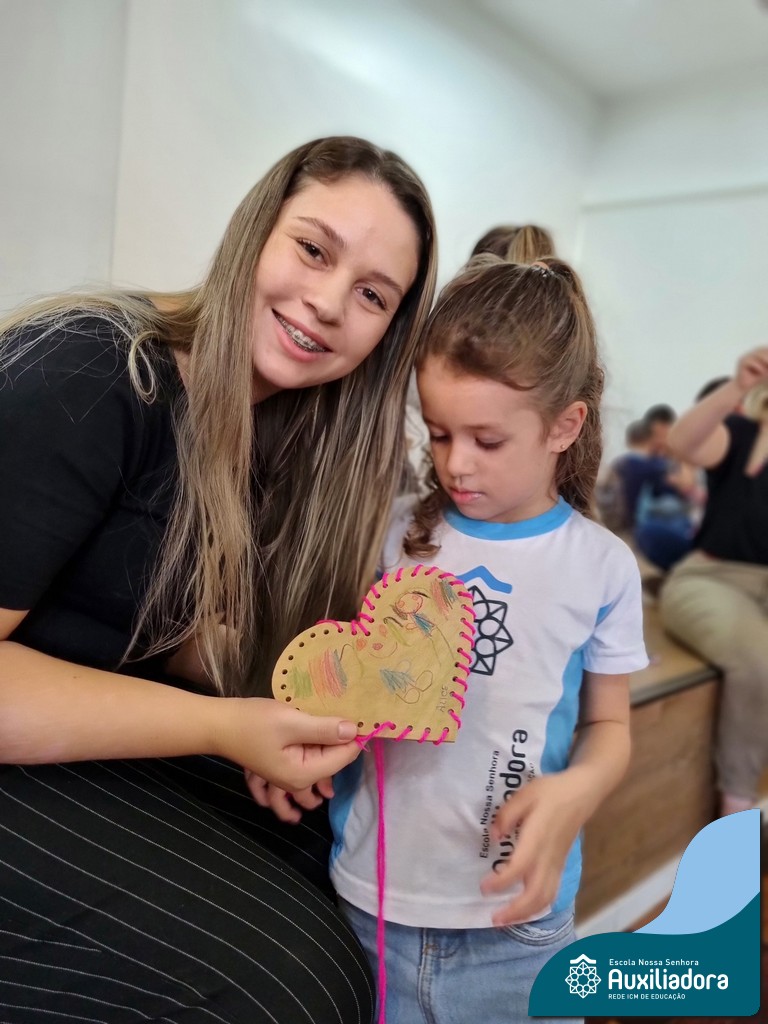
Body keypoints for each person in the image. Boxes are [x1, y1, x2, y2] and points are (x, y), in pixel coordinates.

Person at [0, 136, 437, 1022]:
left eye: (372, 295)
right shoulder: (91, 371)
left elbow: (140, 624)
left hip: (70, 733)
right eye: (313, 249)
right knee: (296, 985)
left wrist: (285, 704)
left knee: (324, 858)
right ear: (256, 229)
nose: (327, 303)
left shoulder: (277, 433)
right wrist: (225, 725)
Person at [307, 254, 646, 1023]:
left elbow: (610, 725)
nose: (456, 464)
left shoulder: (601, 566)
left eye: (487, 441)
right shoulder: (390, 536)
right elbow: (341, 674)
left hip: (516, 935)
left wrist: (581, 787)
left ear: (565, 426)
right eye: (439, 434)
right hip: (369, 911)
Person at [659, 347, 768, 818]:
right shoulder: (744, 434)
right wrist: (738, 387)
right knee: (757, 660)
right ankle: (736, 808)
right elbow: (683, 443)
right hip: (712, 577)